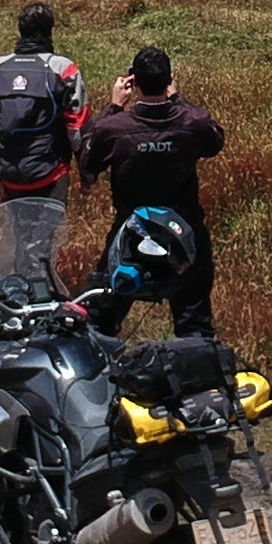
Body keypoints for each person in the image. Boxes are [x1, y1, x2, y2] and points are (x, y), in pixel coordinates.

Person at [79, 46, 225, 337]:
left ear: (134, 82)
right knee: (194, 322)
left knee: (100, 319)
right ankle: (195, 361)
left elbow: (87, 161)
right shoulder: (191, 123)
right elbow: (214, 142)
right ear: (169, 80)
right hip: (184, 231)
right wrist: (178, 100)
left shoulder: (114, 128)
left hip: (131, 232)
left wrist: (113, 107)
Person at [0, 2, 88, 196]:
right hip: (52, 175)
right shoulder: (64, 69)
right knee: (53, 218)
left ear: (20, 30)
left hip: (9, 177)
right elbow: (77, 129)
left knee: (17, 218)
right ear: (50, 30)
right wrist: (87, 176)